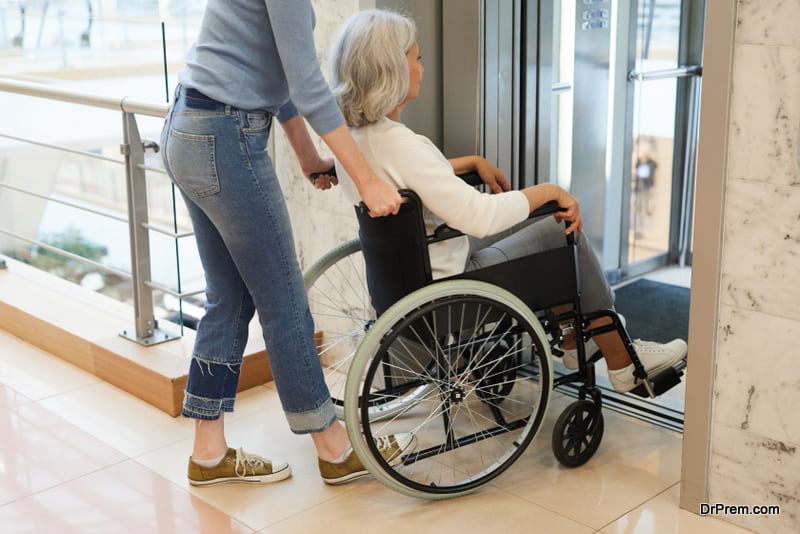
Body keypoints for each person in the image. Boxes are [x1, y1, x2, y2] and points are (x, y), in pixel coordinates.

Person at [328, 9, 687, 394]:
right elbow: (480, 217)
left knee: (537, 225)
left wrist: (470, 162)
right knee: (558, 225)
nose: (421, 66)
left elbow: (409, 180)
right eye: (415, 58)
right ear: (393, 70)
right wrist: (549, 191)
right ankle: (621, 361)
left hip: (411, 278)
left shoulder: (353, 140)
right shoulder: (403, 143)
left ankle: (573, 342)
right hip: (452, 284)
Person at [160, 1, 414, 488]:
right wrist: (367, 181)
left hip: (191, 127)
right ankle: (334, 448)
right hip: (225, 139)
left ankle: (208, 453)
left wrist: (305, 154)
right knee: (285, 303)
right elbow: (306, 84)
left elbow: (276, 71)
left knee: (228, 299)